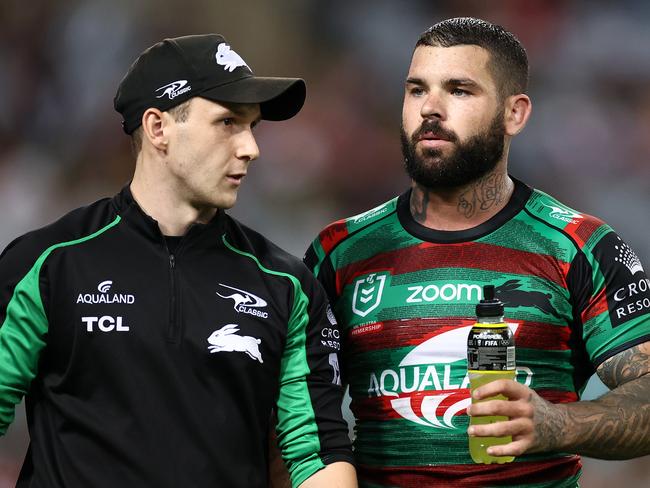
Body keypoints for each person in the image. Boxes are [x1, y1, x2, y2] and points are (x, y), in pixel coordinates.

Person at [303, 17, 650, 487]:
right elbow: (297, 421)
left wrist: (558, 425)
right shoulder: (339, 253)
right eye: (416, 90)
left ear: (515, 114)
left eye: (460, 90)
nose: (430, 108)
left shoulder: (580, 245)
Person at [0, 34, 356, 488]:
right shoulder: (47, 264)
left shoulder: (287, 285)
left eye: (253, 126)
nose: (251, 147)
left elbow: (318, 453)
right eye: (228, 122)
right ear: (157, 128)